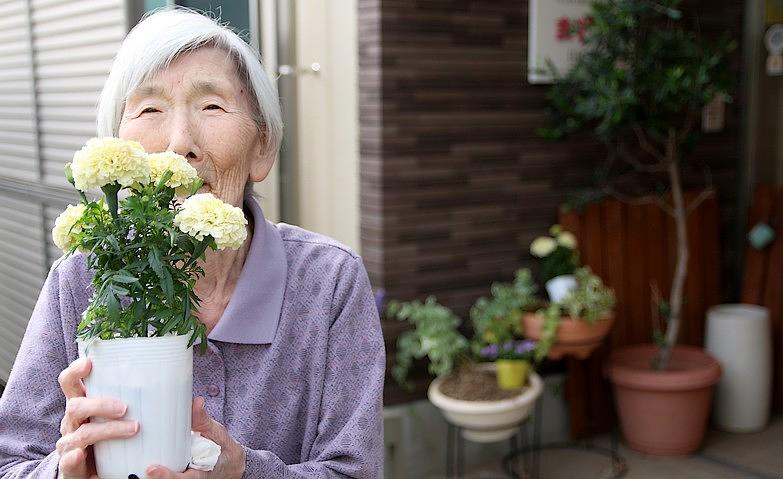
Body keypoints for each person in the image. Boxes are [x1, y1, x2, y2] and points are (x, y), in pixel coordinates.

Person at [0, 7, 385, 478]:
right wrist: (64, 471)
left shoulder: (329, 283)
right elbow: (9, 462)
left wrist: (245, 473)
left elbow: (356, 471)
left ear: (262, 148)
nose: (180, 142)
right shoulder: (80, 278)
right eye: (149, 109)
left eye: (212, 106)